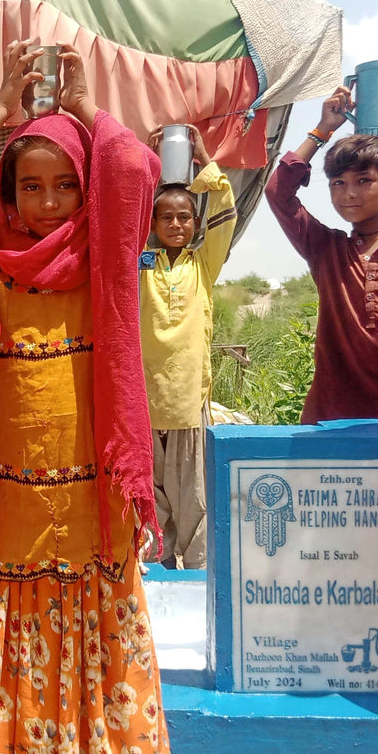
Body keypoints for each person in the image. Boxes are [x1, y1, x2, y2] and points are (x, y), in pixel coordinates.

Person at [0, 40, 171, 754]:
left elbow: (134, 164)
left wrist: (86, 104)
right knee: (11, 634)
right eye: (30, 185)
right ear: (9, 189)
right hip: (5, 494)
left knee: (86, 632)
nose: (48, 202)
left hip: (92, 489)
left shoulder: (104, 250)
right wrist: (2, 104)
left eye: (66, 184)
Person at [264, 89, 378, 431]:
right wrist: (322, 130)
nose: (349, 193)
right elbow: (278, 191)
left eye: (364, 181)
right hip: (333, 417)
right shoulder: (326, 248)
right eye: (338, 183)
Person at [140, 126, 237, 568]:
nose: (176, 225)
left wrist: (203, 158)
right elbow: (125, 218)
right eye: (166, 218)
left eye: (185, 218)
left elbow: (226, 211)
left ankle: (197, 575)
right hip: (144, 398)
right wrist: (144, 159)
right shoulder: (142, 262)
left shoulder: (204, 263)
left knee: (194, 493)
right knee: (151, 492)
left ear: (195, 225)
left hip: (187, 401)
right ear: (154, 224)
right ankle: (157, 572)